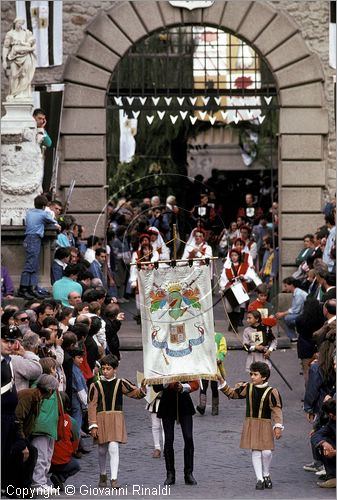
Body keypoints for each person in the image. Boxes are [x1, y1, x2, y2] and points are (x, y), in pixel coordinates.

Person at [218, 361, 283, 490]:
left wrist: (278, 426)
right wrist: (221, 380)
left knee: (267, 452)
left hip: (265, 424)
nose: (252, 377)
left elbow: (276, 409)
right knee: (256, 451)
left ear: (263, 377)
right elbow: (232, 394)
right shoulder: (248, 388)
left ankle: (266, 474)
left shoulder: (272, 391)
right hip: (251, 423)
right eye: (251, 374)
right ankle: (259, 479)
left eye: (255, 374)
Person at [88, 354, 146, 489]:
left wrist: (142, 389)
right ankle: (103, 475)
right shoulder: (96, 385)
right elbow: (92, 405)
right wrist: (93, 425)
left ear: (115, 369)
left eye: (108, 368)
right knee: (102, 449)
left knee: (113, 447)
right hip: (101, 419)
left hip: (116, 418)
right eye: (103, 369)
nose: (105, 371)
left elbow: (135, 393)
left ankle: (114, 479)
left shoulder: (121, 383)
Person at [153, 379, 199, 486]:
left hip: (184, 402)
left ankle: (189, 473)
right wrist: (167, 383)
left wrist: (184, 387)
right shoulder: (163, 362)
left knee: (188, 437)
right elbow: (156, 386)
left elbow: (195, 382)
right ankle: (170, 474)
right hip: (167, 403)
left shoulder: (186, 362)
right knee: (168, 439)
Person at [18, 195, 60, 300]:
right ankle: (23, 289)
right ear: (44, 206)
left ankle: (31, 288)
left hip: (29, 238)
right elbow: (53, 222)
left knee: (34, 265)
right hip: (34, 239)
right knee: (30, 265)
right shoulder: (43, 214)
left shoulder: (30, 212)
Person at [2, 17, 36, 100]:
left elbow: (33, 43)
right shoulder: (10, 34)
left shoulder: (26, 33)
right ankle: (14, 94)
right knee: (14, 75)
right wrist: (4, 60)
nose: (20, 25)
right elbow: (5, 47)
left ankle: (22, 94)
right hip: (14, 57)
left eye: (21, 23)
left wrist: (30, 47)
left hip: (26, 56)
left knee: (24, 74)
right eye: (19, 23)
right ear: (15, 23)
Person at [196, 331, 227, 416]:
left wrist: (220, 358)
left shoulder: (219, 336)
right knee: (203, 386)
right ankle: (202, 406)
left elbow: (223, 350)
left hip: (215, 366)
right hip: (204, 366)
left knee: (214, 387)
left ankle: (215, 407)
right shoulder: (201, 336)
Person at [275, 277, 308, 342]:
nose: (285, 288)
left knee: (286, 318)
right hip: (301, 313)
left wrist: (283, 313)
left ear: (291, 285)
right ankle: (293, 336)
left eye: (286, 286)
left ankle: (293, 337)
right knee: (282, 316)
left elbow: (296, 310)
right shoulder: (296, 293)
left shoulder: (298, 294)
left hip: (304, 315)